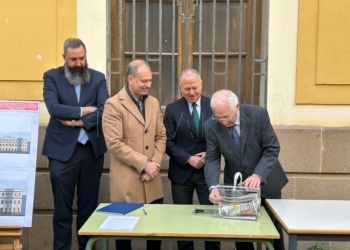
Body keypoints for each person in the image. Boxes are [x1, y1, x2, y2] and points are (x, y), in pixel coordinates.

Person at [42, 38, 109, 250]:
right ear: (64, 58)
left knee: (88, 210)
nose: (79, 63)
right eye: (73, 59)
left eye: (82, 58)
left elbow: (104, 110)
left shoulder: (98, 78)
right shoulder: (51, 76)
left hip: (91, 152)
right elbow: (54, 108)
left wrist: (77, 121)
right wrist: (84, 110)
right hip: (61, 154)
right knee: (62, 211)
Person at [204, 89, 288, 250]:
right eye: (218, 117)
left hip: (267, 182)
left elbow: (272, 148)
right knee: (241, 232)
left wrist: (258, 174)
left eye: (226, 117)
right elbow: (212, 158)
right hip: (238, 188)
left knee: (273, 229)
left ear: (237, 107)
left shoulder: (258, 115)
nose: (222, 122)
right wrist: (213, 187)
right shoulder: (210, 126)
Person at [102, 59, 166, 250]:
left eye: (150, 80)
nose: (148, 84)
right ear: (130, 79)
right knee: (123, 239)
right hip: (126, 184)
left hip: (152, 181)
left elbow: (161, 135)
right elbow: (114, 143)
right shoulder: (113, 104)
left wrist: (154, 164)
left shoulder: (153, 103)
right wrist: (144, 164)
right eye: (143, 81)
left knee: (155, 236)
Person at [163, 69, 220, 250]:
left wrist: (209, 154)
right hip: (181, 174)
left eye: (195, 87)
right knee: (183, 222)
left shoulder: (214, 106)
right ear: (180, 88)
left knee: (212, 221)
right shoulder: (172, 110)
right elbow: (167, 142)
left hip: (207, 173)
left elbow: (221, 138)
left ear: (201, 85)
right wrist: (188, 159)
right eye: (187, 88)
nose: (192, 92)